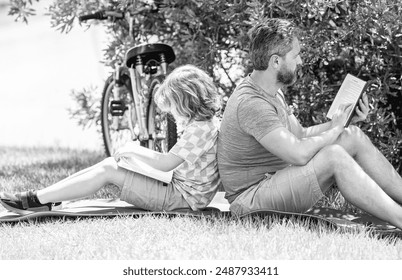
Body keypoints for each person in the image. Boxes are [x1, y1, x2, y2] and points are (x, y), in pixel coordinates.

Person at [217, 18, 402, 229]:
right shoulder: (251, 104)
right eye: (295, 56)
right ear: (275, 62)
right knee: (334, 156)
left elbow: (301, 135)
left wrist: (344, 121)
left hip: (273, 182)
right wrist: (335, 128)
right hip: (250, 200)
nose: (301, 62)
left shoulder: (272, 93)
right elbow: (299, 153)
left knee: (352, 136)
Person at [0, 65, 222, 214]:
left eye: (173, 108)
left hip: (181, 198)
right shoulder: (205, 124)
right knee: (109, 164)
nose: (172, 114)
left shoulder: (200, 129)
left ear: (186, 102)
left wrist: (133, 150)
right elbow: (171, 164)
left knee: (109, 171)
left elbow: (165, 163)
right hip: (178, 189)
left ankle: (36, 200)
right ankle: (42, 197)